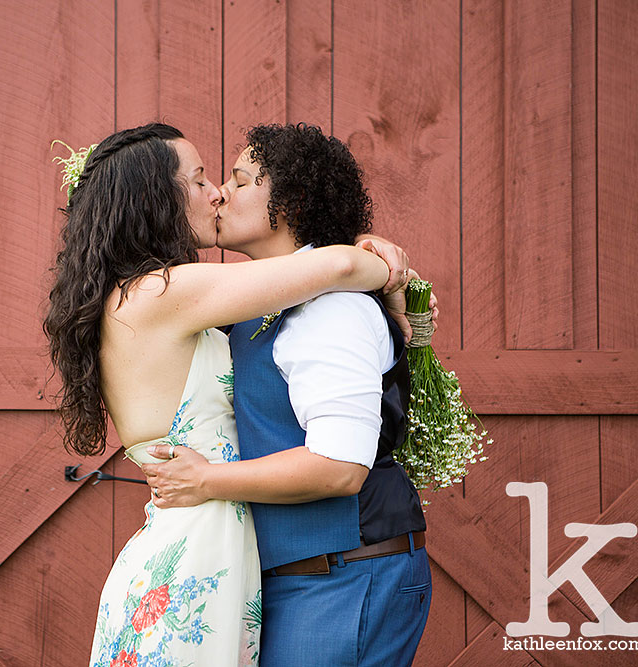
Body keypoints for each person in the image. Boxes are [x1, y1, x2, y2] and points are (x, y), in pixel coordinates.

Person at [43, 123, 410, 667]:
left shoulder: (153, 297)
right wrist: (383, 262)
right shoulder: (163, 292)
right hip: (194, 561)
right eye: (199, 180)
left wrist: (398, 311)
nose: (216, 192)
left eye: (229, 180)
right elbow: (333, 266)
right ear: (156, 198)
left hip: (208, 549)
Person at [142, 123, 432, 666]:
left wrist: (204, 480)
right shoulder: (256, 306)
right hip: (298, 577)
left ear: (292, 202)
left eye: (241, 180)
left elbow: (339, 466)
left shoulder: (331, 310)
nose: (222, 193)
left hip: (345, 572)